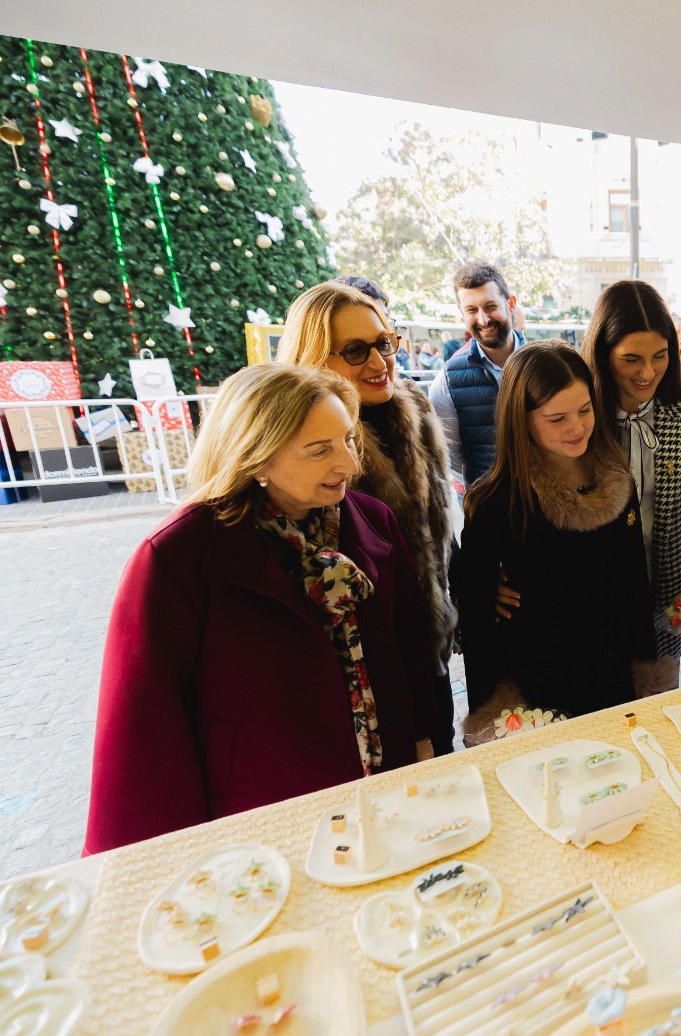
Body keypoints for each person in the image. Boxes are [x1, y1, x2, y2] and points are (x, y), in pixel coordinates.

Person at [85, 364, 436, 853]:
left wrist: (426, 741)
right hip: (262, 810)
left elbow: (411, 647)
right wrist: (150, 857)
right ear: (256, 457)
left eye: (348, 441)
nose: (348, 464)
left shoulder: (371, 519)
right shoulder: (177, 556)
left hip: (383, 784)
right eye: (320, 450)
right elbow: (142, 725)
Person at [277, 278, 459, 754]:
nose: (380, 362)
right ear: (312, 357)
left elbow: (436, 524)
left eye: (384, 343)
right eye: (355, 351)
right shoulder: (293, 443)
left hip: (427, 649)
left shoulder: (414, 410)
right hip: (353, 673)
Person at [453, 342, 653, 740]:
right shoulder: (495, 502)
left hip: (610, 674)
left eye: (585, 410)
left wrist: (647, 667)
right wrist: (488, 711)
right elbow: (476, 621)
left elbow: (634, 582)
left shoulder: (616, 479)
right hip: (536, 686)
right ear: (521, 419)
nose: (576, 428)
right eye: (556, 418)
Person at [580, 280, 681, 696]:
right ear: (604, 355)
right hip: (595, 596)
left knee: (657, 702)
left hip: (665, 588)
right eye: (631, 359)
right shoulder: (581, 410)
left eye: (660, 356)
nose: (647, 372)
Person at [428, 261, 524, 486]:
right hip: (488, 510)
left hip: (548, 508)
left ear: (510, 304)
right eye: (472, 310)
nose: (483, 320)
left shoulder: (546, 364)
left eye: (491, 306)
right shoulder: (448, 380)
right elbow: (449, 457)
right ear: (462, 312)